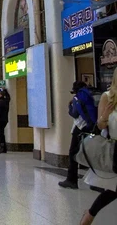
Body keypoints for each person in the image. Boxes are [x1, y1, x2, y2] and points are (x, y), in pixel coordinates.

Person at [79, 69, 117, 225]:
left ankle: (90, 214)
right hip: (115, 147)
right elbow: (100, 126)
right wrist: (104, 117)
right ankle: (90, 213)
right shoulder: (107, 97)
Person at [59, 81, 97, 189]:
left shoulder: (77, 98)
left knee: (73, 153)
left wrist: (70, 107)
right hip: (93, 127)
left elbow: (75, 114)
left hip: (80, 127)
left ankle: (71, 180)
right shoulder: (90, 95)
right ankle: (96, 183)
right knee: (92, 152)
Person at [0, 88, 11, 154]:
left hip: (0, 120)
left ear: (1, 95)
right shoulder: (6, 101)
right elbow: (8, 97)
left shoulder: (0, 102)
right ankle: (4, 148)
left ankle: (1, 147)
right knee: (1, 133)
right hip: (4, 120)